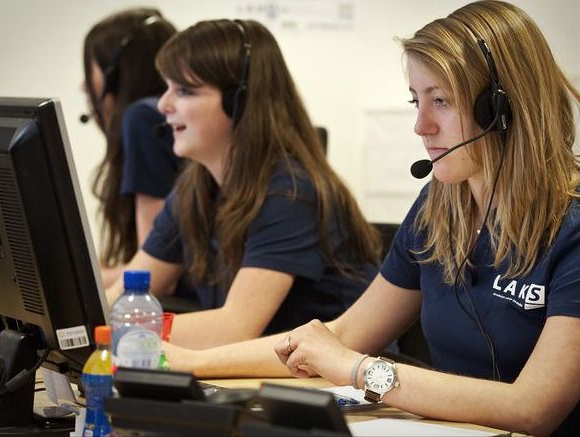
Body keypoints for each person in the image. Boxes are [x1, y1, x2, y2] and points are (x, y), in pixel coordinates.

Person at [159, 2, 580, 435]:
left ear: (501, 110)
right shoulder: (437, 210)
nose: (421, 126)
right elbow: (341, 335)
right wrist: (186, 364)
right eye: (415, 101)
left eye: (440, 101)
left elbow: (534, 408)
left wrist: (360, 370)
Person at [106, 19, 382, 350]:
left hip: (337, 386)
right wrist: (92, 320)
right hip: (264, 374)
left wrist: (122, 328)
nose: (164, 105)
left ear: (238, 102)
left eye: (184, 91)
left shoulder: (290, 192)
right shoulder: (195, 188)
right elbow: (131, 288)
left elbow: (233, 327)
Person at [82, 8, 182, 287]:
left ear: (116, 76)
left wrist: (76, 281)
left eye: (91, 71)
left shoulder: (145, 117)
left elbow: (153, 272)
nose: (84, 85)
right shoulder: (161, 118)